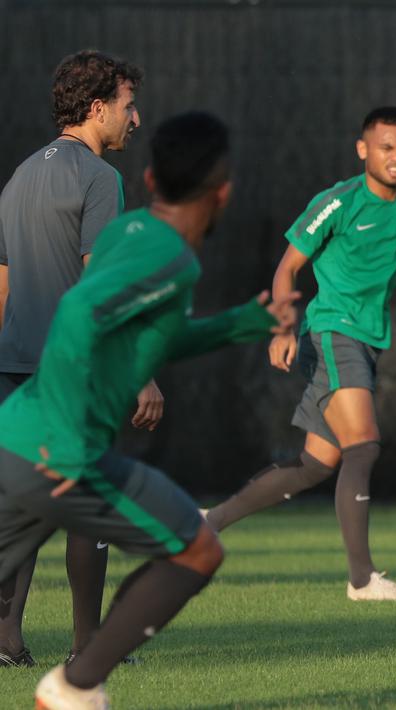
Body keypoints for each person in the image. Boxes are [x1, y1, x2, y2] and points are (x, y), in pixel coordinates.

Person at [0, 111, 297, 709]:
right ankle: (76, 684)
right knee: (198, 547)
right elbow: (83, 314)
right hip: (57, 447)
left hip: (19, 437)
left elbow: (152, 335)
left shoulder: (129, 234)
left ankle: (75, 682)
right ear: (224, 191)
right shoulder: (170, 256)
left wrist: (243, 322)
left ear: (150, 178)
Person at [204, 106, 396, 601]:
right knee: (363, 444)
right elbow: (287, 269)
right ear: (363, 149)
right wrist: (281, 328)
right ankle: (362, 579)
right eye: (387, 147)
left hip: (367, 338)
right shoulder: (338, 202)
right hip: (330, 330)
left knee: (316, 465)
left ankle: (210, 521)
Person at [0, 48, 164, 668]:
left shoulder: (18, 176)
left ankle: (7, 642)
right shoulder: (99, 178)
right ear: (97, 108)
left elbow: (3, 289)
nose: (136, 119)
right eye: (128, 105)